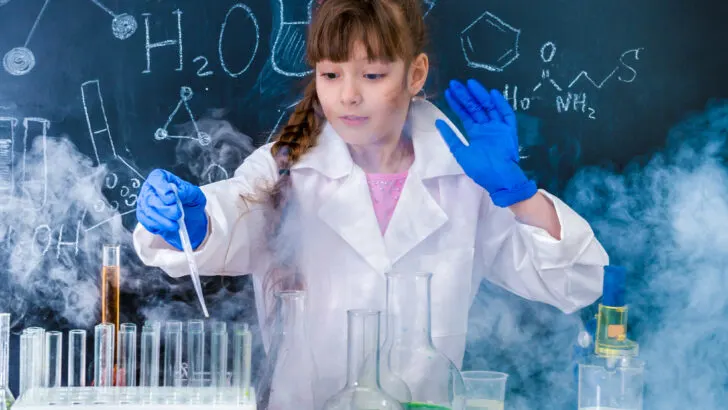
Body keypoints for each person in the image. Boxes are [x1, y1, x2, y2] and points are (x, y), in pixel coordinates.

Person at [132, 0, 609, 405]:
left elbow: (575, 281)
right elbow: (226, 220)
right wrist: (191, 222)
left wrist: (518, 194)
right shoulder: (286, 168)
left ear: (415, 74)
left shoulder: (464, 174)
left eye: (373, 74)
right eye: (331, 74)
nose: (348, 96)